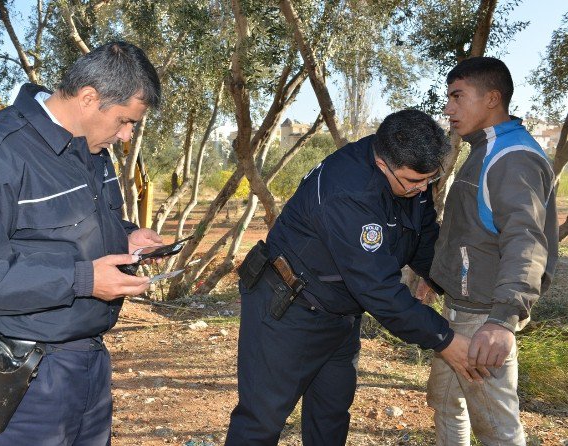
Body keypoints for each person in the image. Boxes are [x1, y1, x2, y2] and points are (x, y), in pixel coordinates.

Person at [0, 41, 163, 445]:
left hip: (87, 362)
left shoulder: (91, 148)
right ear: (89, 98)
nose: (126, 136)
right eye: (125, 121)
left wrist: (127, 235)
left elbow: (65, 228)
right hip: (27, 377)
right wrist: (83, 280)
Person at [226, 109, 483, 446]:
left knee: (331, 417)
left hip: (339, 314)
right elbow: (377, 287)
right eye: (414, 182)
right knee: (261, 421)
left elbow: (422, 239)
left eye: (429, 181)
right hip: (287, 310)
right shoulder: (348, 191)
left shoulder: (408, 176)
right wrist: (443, 339)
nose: (422, 189)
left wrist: (459, 287)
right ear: (382, 164)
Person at [428, 57, 558, 445]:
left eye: (457, 96)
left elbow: (525, 240)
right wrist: (435, 280)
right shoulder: (485, 149)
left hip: (484, 318)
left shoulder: (511, 157)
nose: (448, 108)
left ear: (492, 99)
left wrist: (502, 319)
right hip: (461, 310)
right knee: (446, 403)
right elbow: (471, 232)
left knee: (497, 429)